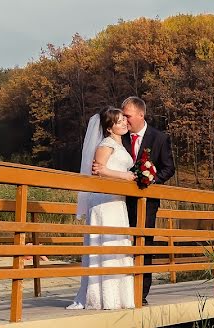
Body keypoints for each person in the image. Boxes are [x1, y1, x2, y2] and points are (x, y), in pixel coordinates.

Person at [95, 96, 175, 306]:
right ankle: (119, 291)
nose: (125, 120)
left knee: (144, 244)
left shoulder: (159, 138)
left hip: (146, 202)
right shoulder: (118, 137)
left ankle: (140, 292)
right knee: (120, 244)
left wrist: (150, 180)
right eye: (123, 116)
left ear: (141, 115)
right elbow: (106, 164)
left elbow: (168, 168)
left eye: (128, 116)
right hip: (118, 202)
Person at [68, 108, 136, 310]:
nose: (124, 123)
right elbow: (99, 170)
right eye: (119, 121)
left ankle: (119, 296)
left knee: (118, 243)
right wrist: (127, 177)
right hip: (104, 202)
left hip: (117, 201)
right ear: (109, 127)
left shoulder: (120, 145)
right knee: (105, 242)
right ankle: (101, 296)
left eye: (124, 119)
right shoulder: (105, 144)